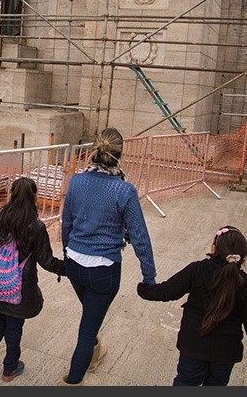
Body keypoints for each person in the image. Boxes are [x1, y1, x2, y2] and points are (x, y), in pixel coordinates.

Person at [60, 126, 156, 386]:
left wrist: (68, 253)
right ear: (119, 155)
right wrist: (149, 277)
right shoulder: (124, 191)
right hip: (103, 270)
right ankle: (72, 382)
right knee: (87, 328)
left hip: (75, 264)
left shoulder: (77, 181)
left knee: (90, 316)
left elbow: (65, 223)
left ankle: (94, 351)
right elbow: (139, 236)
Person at [136, 226, 247, 386]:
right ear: (242, 257)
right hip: (225, 353)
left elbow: (168, 291)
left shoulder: (197, 270)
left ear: (213, 248)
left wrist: (145, 290)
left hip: (193, 346)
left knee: (186, 382)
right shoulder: (246, 285)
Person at [0, 177, 66, 382]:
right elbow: (46, 260)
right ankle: (10, 367)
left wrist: (2, 238)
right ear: (34, 197)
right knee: (14, 324)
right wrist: (69, 269)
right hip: (20, 285)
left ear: (12, 195)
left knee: (3, 314)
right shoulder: (36, 226)